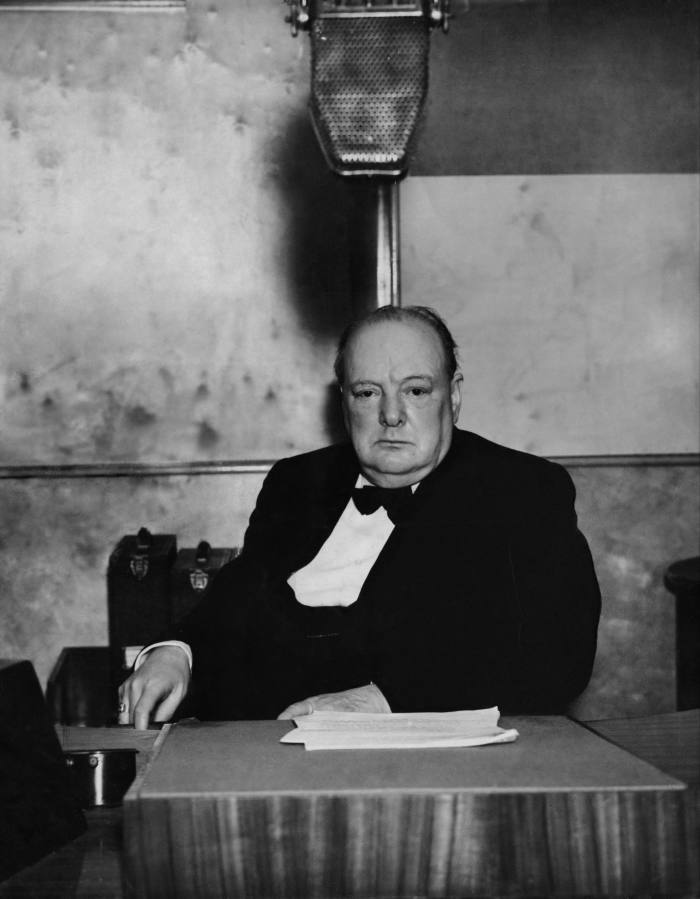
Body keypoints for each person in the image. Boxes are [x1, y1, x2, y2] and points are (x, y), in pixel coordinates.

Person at [119, 305, 601, 729]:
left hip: (428, 770)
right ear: (344, 401)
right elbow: (239, 596)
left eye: (415, 390)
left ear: (452, 395)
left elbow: (559, 658)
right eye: (368, 393)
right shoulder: (296, 481)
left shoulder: (522, 490)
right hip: (258, 754)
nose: (391, 414)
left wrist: (393, 701)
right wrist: (176, 651)